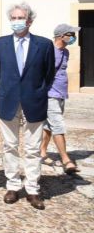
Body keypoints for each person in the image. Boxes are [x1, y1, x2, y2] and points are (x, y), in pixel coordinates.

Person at [0, 2, 55, 210]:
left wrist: (35, 91)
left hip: (34, 101)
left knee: (33, 148)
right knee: (9, 145)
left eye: (21, 18)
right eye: (14, 18)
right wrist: (9, 90)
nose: (17, 21)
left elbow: (48, 74)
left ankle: (33, 189)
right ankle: (12, 185)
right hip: (8, 100)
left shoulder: (44, 45)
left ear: (30, 20)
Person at [40, 24, 81, 175]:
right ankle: (66, 160)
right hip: (51, 94)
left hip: (61, 94)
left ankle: (42, 152)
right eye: (70, 34)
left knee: (48, 126)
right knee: (58, 125)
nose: (73, 37)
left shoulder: (66, 52)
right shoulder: (50, 52)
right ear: (61, 36)